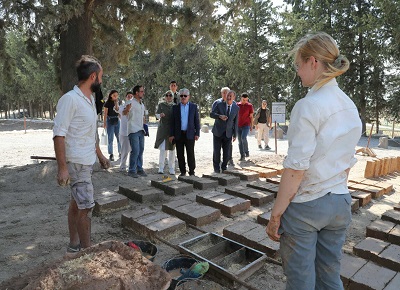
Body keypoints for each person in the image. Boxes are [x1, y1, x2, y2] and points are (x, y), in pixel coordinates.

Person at [266, 32, 362, 290]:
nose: (297, 72)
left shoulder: (308, 106)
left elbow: (296, 168)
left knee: (300, 281)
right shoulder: (349, 106)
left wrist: (275, 216)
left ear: (313, 62)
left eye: (298, 65)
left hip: (307, 205)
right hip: (340, 202)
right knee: (330, 277)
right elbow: (345, 161)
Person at [53, 55, 110, 252]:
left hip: (87, 161)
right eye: (101, 77)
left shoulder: (90, 99)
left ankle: (74, 245)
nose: (102, 81)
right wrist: (62, 168)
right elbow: (59, 134)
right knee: (86, 206)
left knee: (77, 204)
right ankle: (88, 251)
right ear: (93, 76)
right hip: (76, 163)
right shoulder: (70, 99)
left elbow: (90, 132)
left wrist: (100, 155)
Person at [169, 88, 200, 176]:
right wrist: (171, 134)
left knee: (190, 153)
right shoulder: (175, 107)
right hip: (179, 134)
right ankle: (183, 171)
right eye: (181, 96)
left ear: (188, 97)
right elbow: (172, 122)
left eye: (185, 96)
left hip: (190, 134)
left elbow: (196, 121)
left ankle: (192, 171)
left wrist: (197, 133)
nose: (183, 97)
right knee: (180, 154)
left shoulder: (193, 107)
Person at [210, 90, 239, 173]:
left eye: (231, 96)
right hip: (217, 132)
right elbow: (211, 114)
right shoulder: (219, 104)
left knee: (226, 153)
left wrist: (235, 134)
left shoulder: (236, 107)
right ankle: (216, 168)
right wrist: (219, 116)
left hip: (228, 133)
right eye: (228, 96)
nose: (229, 97)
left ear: (234, 97)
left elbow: (236, 122)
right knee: (216, 151)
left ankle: (224, 167)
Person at [126, 85, 147, 178]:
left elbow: (142, 116)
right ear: (136, 93)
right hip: (133, 129)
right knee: (135, 150)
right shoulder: (130, 103)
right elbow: (124, 112)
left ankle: (139, 169)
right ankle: (131, 170)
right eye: (141, 91)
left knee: (141, 150)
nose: (143, 93)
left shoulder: (141, 104)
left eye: (143, 91)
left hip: (141, 129)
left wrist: (144, 123)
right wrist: (126, 110)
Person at [155, 90, 176, 174]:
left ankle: (171, 168)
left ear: (172, 97)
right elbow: (156, 115)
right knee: (163, 149)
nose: (168, 97)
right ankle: (161, 168)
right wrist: (160, 115)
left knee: (172, 150)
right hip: (163, 129)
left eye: (170, 95)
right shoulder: (161, 105)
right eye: (167, 95)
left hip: (171, 130)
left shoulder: (175, 106)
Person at [114, 91, 133, 172]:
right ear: (126, 97)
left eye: (131, 96)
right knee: (124, 151)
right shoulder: (122, 107)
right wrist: (116, 102)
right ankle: (122, 166)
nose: (129, 97)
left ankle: (132, 166)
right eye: (128, 96)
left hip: (132, 131)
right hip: (123, 132)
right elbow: (117, 109)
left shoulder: (135, 107)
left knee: (133, 150)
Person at [103, 90, 121, 161]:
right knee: (110, 138)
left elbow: (117, 110)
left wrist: (116, 103)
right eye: (114, 95)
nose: (115, 97)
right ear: (111, 95)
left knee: (119, 137)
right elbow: (105, 113)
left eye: (117, 95)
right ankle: (111, 154)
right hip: (110, 121)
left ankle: (120, 152)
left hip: (117, 120)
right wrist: (104, 123)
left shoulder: (117, 102)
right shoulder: (107, 103)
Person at [237, 92, 254, 161]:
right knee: (239, 141)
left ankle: (246, 151)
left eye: (246, 100)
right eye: (244, 100)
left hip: (246, 125)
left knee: (243, 137)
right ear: (241, 98)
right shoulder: (237, 105)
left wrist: (251, 125)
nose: (245, 101)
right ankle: (242, 155)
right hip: (238, 125)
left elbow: (251, 117)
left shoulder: (249, 106)